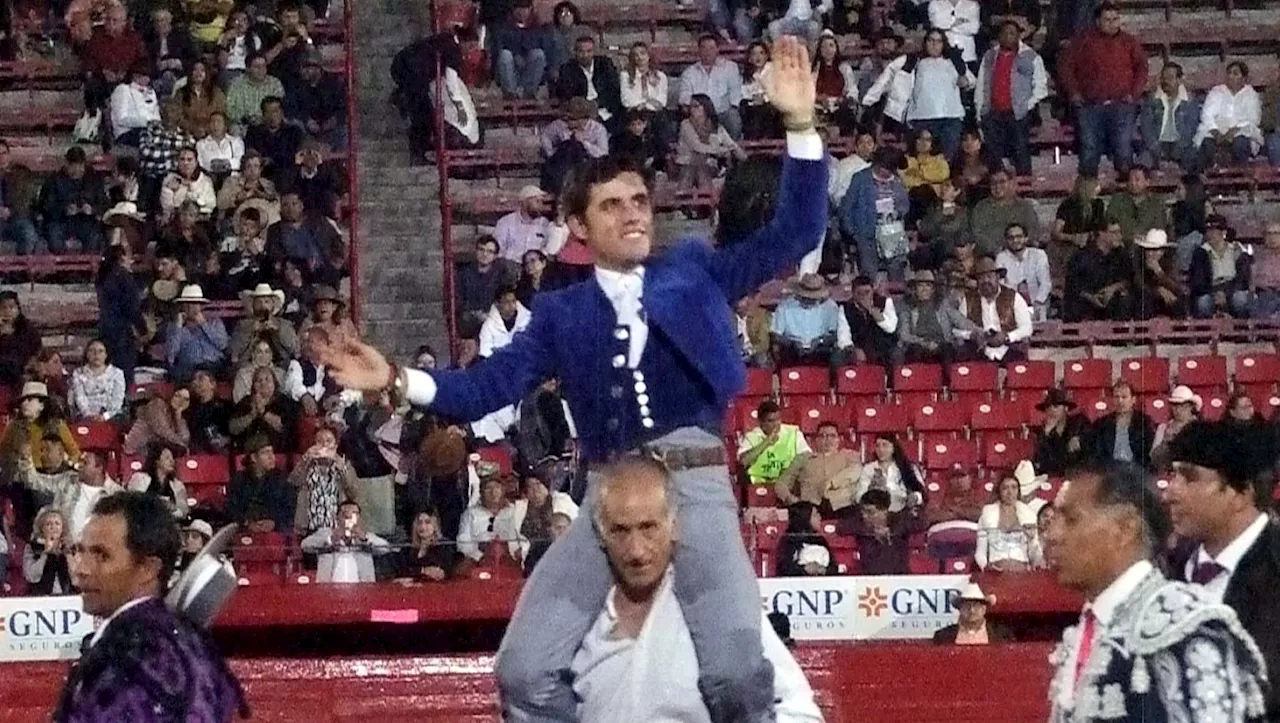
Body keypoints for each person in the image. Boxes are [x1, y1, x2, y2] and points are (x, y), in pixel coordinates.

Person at [321, 36, 826, 723]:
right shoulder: (560, 311)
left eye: (640, 199)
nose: (634, 213)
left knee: (739, 676)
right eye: (613, 204)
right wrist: (397, 377)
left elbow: (795, 229)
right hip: (607, 492)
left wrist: (800, 127)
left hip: (695, 485)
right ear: (578, 225)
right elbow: (484, 388)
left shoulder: (696, 268)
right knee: (524, 674)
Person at [570, 457, 822, 721]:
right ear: (600, 535)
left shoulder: (722, 610)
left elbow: (801, 713)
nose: (637, 550)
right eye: (620, 531)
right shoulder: (572, 627)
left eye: (649, 528)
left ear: (674, 525)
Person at [1041, 462, 1267, 722]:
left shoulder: (1185, 626)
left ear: (1125, 528)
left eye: (1071, 519)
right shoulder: (1087, 629)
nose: (1052, 535)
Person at [54, 492, 246, 721]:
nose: (80, 570)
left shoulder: (132, 654)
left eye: (101, 555)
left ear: (147, 568)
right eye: (79, 551)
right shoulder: (180, 640)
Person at [1164, 420, 1280, 719]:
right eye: (1172, 475)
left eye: (1189, 478)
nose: (1169, 493)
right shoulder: (1167, 570)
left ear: (1241, 494)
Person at [1056, 3, 1148, 177]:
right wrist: (1073, 92)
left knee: (1123, 148)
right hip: (1090, 105)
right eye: (1107, 20)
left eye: (1115, 19)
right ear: (1097, 21)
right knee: (1089, 149)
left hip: (1121, 104)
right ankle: (1087, 191)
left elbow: (1142, 67)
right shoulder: (1082, 40)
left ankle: (1125, 190)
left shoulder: (1129, 42)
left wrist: (1134, 93)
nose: (1112, 23)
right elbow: (1065, 67)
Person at [974, 20, 1048, 177]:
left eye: (1012, 33)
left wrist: (1026, 105)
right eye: (1004, 33)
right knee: (994, 154)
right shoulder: (989, 56)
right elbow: (981, 83)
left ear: (1018, 36)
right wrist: (979, 110)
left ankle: (1025, 189)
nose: (1008, 36)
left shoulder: (1030, 56)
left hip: (1018, 114)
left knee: (1021, 151)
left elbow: (1040, 86)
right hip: (992, 112)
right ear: (999, 36)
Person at [15, 449, 120, 541]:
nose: (79, 466)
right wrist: (25, 459)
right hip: (62, 551)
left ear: (99, 468)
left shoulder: (116, 495)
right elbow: (35, 481)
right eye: (80, 462)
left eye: (85, 463)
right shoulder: (68, 480)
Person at [774, 420, 860, 516]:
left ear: (839, 439)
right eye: (822, 436)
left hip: (843, 506)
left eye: (832, 436)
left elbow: (856, 471)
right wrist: (789, 498)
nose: (827, 440)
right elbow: (781, 484)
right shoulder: (803, 458)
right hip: (810, 507)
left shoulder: (849, 455)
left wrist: (833, 483)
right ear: (816, 440)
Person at [300, 500, 391, 583]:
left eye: (354, 514)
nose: (349, 518)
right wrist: (331, 539)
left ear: (359, 518)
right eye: (345, 515)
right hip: (328, 590)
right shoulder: (325, 533)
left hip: (362, 590)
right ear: (337, 518)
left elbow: (386, 548)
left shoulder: (366, 536)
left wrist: (364, 538)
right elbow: (305, 545)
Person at [841, 487, 926, 574]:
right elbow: (841, 527)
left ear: (884, 511)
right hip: (869, 576)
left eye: (870, 512)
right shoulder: (860, 523)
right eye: (863, 511)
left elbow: (922, 524)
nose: (864, 516)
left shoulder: (899, 521)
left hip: (899, 575)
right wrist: (872, 531)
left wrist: (890, 535)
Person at [1196, 61, 1262, 171]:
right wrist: (1216, 132)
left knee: (1240, 143)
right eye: (1229, 73)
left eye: (1235, 74)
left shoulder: (1251, 95)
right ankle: (1213, 178)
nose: (1231, 77)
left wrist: (1234, 132)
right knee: (1207, 144)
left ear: (1244, 78)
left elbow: (1253, 119)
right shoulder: (1216, 91)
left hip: (1241, 133)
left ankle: (1240, 177)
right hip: (1216, 132)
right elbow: (1206, 115)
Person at [739, 399, 813, 487]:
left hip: (788, 483)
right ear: (761, 422)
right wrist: (766, 442)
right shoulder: (752, 436)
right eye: (771, 421)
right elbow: (743, 461)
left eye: (778, 419)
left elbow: (808, 458)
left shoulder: (794, 433)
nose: (776, 424)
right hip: (759, 484)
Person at [976, 473, 1039, 571]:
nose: (1010, 492)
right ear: (999, 492)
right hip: (995, 572)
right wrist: (985, 567)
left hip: (1022, 572)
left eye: (1014, 487)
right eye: (1005, 488)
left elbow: (1034, 555)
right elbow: (980, 551)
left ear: (1018, 491)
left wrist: (1032, 540)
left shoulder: (1029, 516)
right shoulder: (987, 514)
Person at [1088, 381, 1156, 470]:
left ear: (1133, 400)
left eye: (1124, 397)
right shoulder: (1102, 424)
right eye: (1116, 397)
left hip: (1136, 470)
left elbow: (1146, 453)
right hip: (1110, 470)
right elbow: (1098, 452)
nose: (1120, 401)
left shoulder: (1144, 422)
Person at [854, 432, 926, 513]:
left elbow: (921, 494)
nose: (881, 449)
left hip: (903, 511)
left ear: (893, 448)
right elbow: (859, 498)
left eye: (885, 445)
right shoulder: (868, 469)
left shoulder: (907, 467)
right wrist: (871, 490)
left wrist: (915, 497)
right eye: (878, 446)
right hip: (877, 513)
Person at [932, 582, 1014, 644]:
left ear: (984, 609)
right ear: (960, 608)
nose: (972, 610)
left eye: (976, 606)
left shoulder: (1002, 635)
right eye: (967, 606)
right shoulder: (942, 636)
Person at [127, 443, 191, 520]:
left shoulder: (178, 486)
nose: (172, 461)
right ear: (157, 460)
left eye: (172, 458)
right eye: (167, 458)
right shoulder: (140, 479)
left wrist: (173, 509)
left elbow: (183, 513)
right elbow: (133, 505)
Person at [395, 510, 460, 583]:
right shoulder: (407, 547)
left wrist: (415, 573)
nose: (423, 526)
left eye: (427, 522)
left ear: (435, 525)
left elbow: (440, 573)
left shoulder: (443, 546)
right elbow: (399, 570)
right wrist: (423, 570)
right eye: (419, 522)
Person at [69, 339, 127, 421]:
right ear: (87, 354)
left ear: (106, 354)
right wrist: (89, 415)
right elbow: (80, 397)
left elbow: (117, 399)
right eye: (92, 351)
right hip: (85, 417)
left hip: (111, 417)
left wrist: (105, 416)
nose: (96, 354)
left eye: (100, 351)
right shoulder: (78, 373)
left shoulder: (117, 373)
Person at [775, 501, 837, 576]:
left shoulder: (819, 539)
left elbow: (833, 568)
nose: (820, 517)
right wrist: (804, 569)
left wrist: (823, 570)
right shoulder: (789, 540)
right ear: (805, 517)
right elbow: (783, 569)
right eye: (815, 515)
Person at [25, 507, 74, 594]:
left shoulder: (70, 548)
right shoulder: (33, 547)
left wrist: (67, 554)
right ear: (42, 528)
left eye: (57, 524)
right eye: (48, 524)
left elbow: (76, 577)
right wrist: (45, 554)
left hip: (67, 598)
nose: (53, 527)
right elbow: (30, 575)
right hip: (41, 599)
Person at [1150, 385, 1200, 469]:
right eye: (1175, 405)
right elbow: (1154, 458)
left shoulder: (1200, 429)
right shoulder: (1163, 428)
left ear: (1190, 407)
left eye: (1182, 405)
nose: (1178, 409)